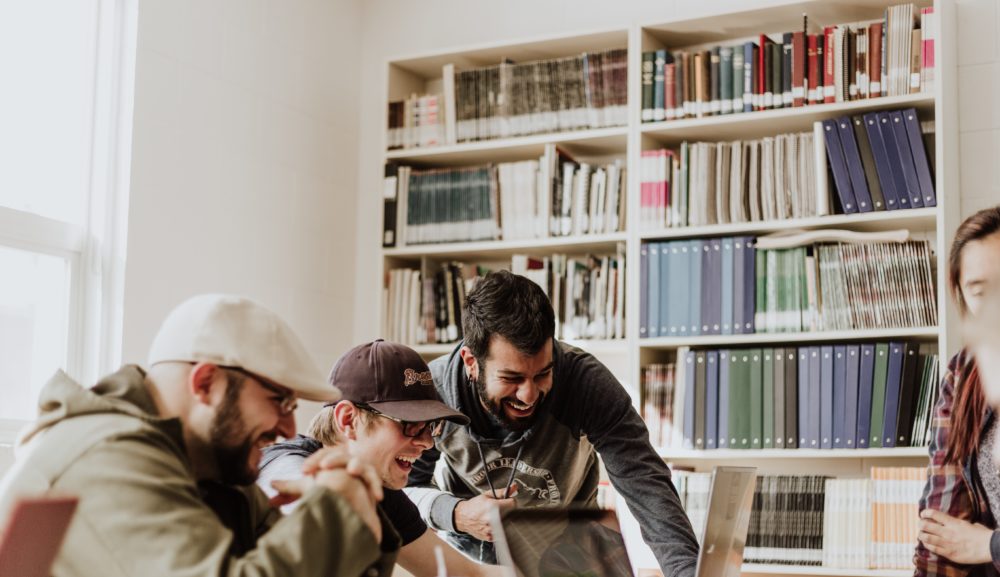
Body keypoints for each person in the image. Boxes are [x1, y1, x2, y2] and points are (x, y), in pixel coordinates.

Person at [0, 294, 398, 577]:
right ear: (206, 382)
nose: (289, 429)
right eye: (279, 401)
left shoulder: (210, 466)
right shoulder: (108, 457)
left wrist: (359, 504)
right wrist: (334, 507)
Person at [404, 270, 700, 577]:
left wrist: (687, 572)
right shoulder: (433, 392)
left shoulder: (585, 383)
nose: (529, 395)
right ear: (470, 362)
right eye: (511, 378)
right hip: (471, 560)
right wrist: (456, 514)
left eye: (542, 373)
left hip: (573, 551)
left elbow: (646, 484)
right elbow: (404, 488)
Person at [258, 339, 500, 577]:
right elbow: (297, 487)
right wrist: (327, 498)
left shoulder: (382, 491)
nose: (427, 443)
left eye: (431, 426)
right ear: (348, 420)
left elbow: (468, 573)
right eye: (411, 425)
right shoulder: (283, 462)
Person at [915, 206, 1000, 575]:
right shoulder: (965, 372)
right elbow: (941, 526)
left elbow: (972, 543)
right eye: (980, 291)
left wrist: (988, 545)